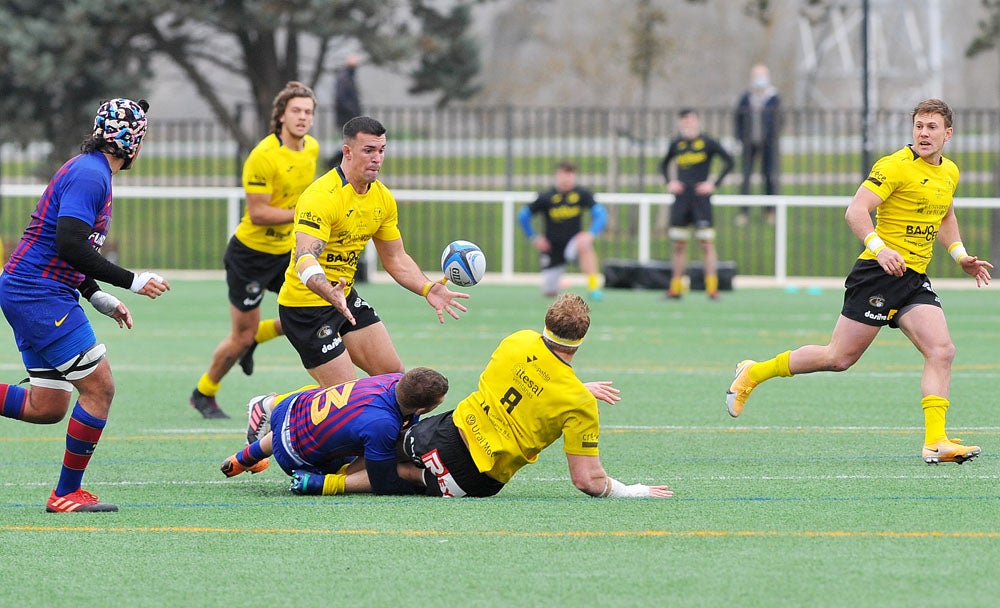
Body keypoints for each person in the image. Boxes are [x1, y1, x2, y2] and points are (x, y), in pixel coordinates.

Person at [726, 98, 992, 465]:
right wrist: (880, 248)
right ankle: (753, 372)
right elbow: (856, 210)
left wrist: (961, 256)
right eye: (919, 126)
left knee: (942, 351)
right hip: (878, 275)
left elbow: (945, 216)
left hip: (913, 278)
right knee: (838, 358)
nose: (924, 133)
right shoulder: (894, 166)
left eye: (932, 127)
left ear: (948, 133)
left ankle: (935, 441)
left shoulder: (950, 172)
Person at [0, 98, 170, 512]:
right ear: (132, 141)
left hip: (33, 289)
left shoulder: (90, 171)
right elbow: (70, 244)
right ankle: (64, 494)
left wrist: (96, 295)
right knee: (100, 388)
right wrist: (132, 280)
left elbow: (70, 247)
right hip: (39, 293)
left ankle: (66, 492)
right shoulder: (91, 175)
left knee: (48, 406)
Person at [391, 294, 672, 499]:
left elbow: (529, 379)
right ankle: (346, 483)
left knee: (380, 451)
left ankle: (345, 468)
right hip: (472, 478)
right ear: (581, 339)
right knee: (394, 477)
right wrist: (636, 491)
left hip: (446, 431)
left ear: (547, 324)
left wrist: (575, 392)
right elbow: (587, 481)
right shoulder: (578, 403)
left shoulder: (519, 339)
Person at [277, 115, 470, 389]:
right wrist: (326, 290)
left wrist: (428, 287)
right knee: (343, 398)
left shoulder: (382, 198)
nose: (377, 158)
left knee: (394, 379)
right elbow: (305, 258)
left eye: (381, 150)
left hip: (344, 299)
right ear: (348, 151)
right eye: (368, 150)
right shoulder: (321, 196)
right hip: (305, 308)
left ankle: (398, 433)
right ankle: (271, 405)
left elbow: (395, 258)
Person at [190, 82, 320, 419]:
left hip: (285, 253)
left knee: (315, 305)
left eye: (308, 112)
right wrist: (304, 215)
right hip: (250, 256)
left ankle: (257, 338)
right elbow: (259, 213)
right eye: (297, 111)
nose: (303, 117)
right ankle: (204, 392)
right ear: (280, 116)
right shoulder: (263, 156)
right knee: (240, 338)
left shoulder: (312, 149)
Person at [220, 368, 449, 496]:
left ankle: (241, 459)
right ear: (420, 409)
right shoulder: (383, 424)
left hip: (289, 407)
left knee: (315, 419)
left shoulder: (394, 379)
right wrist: (418, 484)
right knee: (389, 452)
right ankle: (324, 483)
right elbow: (383, 483)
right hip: (295, 456)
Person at [659, 109, 734, 300]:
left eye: (692, 120)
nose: (689, 123)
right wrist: (670, 182)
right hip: (682, 200)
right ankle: (675, 288)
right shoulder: (677, 143)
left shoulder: (707, 142)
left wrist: (713, 184)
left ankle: (712, 288)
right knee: (679, 244)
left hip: (701, 201)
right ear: (681, 123)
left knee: (706, 244)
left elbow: (730, 161)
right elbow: (663, 164)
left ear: (698, 122)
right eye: (685, 120)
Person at [518, 161, 608, 301]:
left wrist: (590, 234)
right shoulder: (546, 197)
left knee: (585, 244)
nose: (567, 178)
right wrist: (534, 238)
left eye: (570, 174)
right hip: (552, 249)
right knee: (549, 292)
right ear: (557, 175)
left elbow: (601, 214)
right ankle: (558, 282)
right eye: (564, 174)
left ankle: (593, 287)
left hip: (573, 245)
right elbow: (523, 216)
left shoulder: (581, 194)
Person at [734, 64, 781, 226]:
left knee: (768, 176)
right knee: (746, 177)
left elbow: (779, 120)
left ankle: (770, 211)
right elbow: (738, 118)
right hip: (749, 143)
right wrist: (741, 138)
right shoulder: (746, 97)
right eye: (757, 75)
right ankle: (744, 213)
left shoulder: (773, 97)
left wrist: (773, 136)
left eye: (762, 75)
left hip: (768, 144)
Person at [328, 53, 362, 169]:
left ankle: (336, 163)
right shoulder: (344, 78)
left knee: (351, 142)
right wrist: (353, 112)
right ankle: (332, 162)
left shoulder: (348, 77)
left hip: (349, 116)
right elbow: (341, 98)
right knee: (351, 142)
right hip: (347, 117)